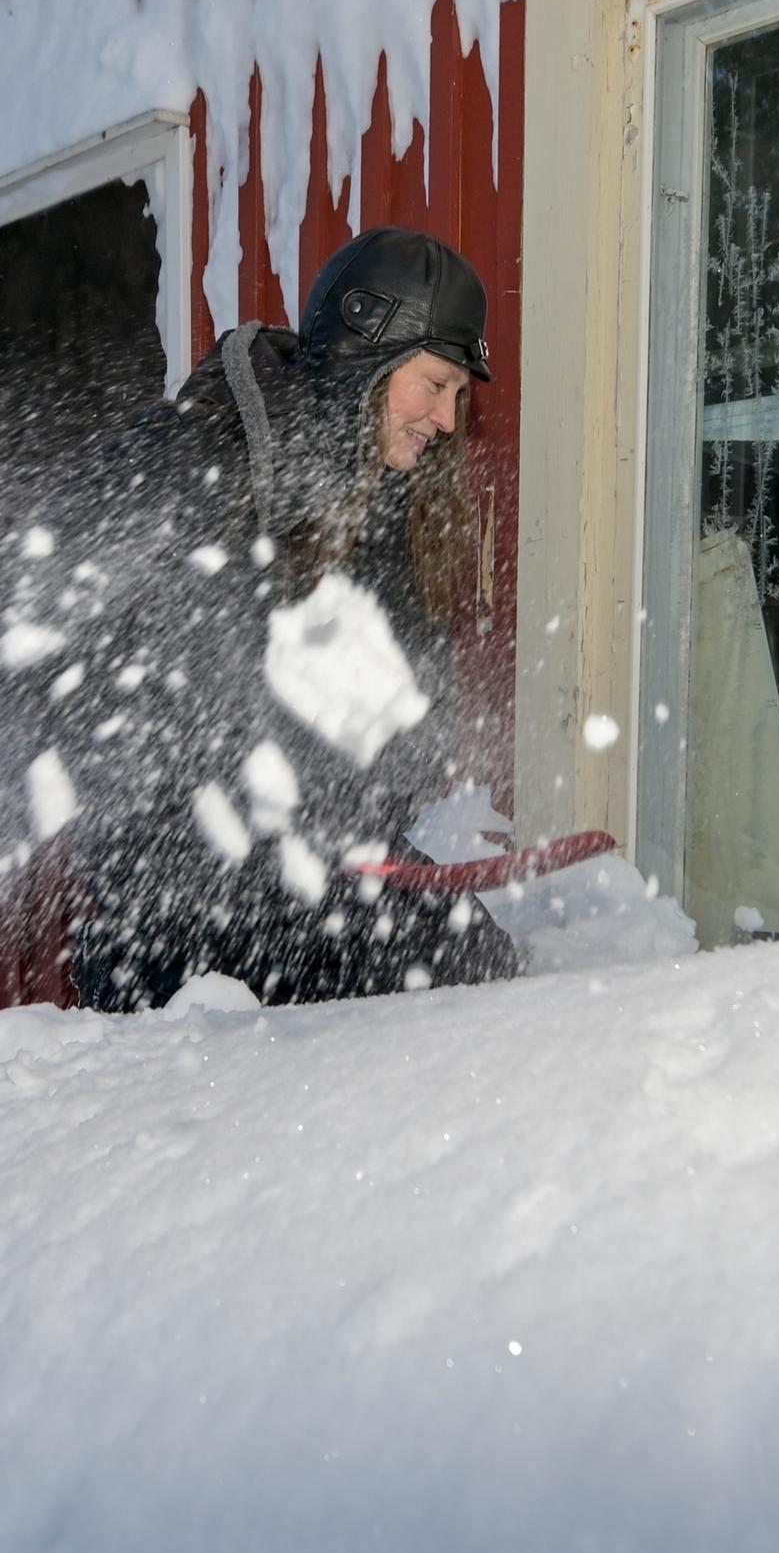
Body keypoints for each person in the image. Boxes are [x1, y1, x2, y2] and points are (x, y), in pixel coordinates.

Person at [53, 227, 523, 1010]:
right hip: (177, 905)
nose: (446, 418)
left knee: (475, 963)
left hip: (311, 869)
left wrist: (372, 784)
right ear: (369, 353)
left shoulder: (374, 502)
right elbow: (88, 678)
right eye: (435, 385)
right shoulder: (185, 459)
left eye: (456, 396)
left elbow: (406, 699)